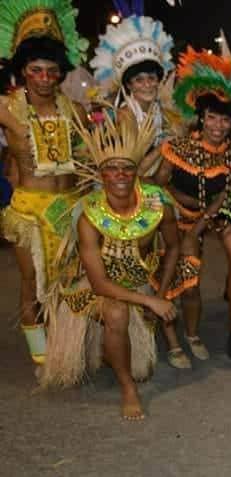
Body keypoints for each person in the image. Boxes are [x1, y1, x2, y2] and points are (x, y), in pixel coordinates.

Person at [39, 110, 198, 420]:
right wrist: (149, 299)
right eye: (111, 169)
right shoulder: (89, 216)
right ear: (101, 175)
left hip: (137, 282)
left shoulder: (158, 205)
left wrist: (162, 294)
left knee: (143, 364)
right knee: (116, 311)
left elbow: (174, 247)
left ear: (136, 172)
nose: (121, 174)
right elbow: (99, 285)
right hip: (92, 286)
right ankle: (128, 388)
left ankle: (110, 352)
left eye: (127, 168)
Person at [153, 47, 231, 365]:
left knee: (192, 284)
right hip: (170, 222)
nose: (218, 125)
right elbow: (158, 185)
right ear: (201, 117)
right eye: (213, 117)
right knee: (170, 280)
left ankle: (192, 334)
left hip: (205, 222)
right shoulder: (177, 147)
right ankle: (173, 342)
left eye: (226, 119)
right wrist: (175, 210)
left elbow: (225, 194)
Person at [0, 0, 88, 366]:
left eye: (51, 71)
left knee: (67, 280)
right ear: (23, 70)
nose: (44, 78)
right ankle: (38, 347)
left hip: (68, 207)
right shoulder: (6, 107)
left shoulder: (75, 110)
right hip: (29, 211)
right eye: (36, 70)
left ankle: (64, 339)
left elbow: (86, 160)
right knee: (33, 281)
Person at [90, 14, 180, 177]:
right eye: (139, 80)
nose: (147, 85)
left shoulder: (159, 112)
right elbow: (131, 173)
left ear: (158, 81)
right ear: (129, 85)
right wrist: (164, 146)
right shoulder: (126, 116)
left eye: (151, 78)